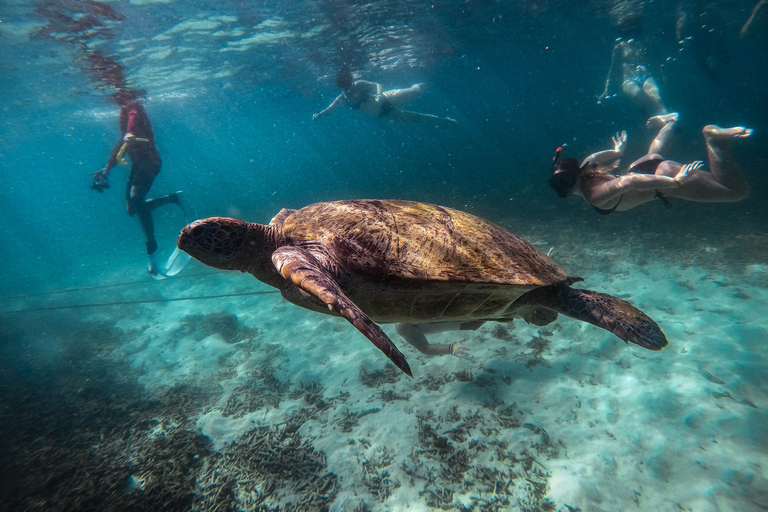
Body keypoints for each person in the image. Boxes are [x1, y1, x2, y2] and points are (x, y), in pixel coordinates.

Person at [549, 113, 753, 213]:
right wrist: (617, 151)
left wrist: (675, 181)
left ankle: (714, 139)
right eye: (557, 183)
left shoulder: (594, 195)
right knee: (654, 153)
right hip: (640, 167)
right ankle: (671, 121)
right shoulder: (587, 165)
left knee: (736, 192)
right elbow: (600, 159)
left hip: (660, 180)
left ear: (576, 175)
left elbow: (630, 182)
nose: (562, 186)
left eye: (564, 180)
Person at [91, 91, 185, 277]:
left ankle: (153, 254)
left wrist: (129, 132)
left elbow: (132, 118)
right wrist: (106, 170)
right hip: (139, 165)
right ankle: (173, 198)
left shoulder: (133, 106)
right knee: (132, 209)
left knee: (136, 200)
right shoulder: (126, 110)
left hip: (150, 163)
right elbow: (122, 142)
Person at [312, 67, 457, 125]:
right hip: (384, 113)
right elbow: (331, 109)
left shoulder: (359, 84)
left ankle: (427, 84)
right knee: (416, 117)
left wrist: (379, 95)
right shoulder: (343, 98)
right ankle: (445, 120)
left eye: (347, 79)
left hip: (387, 98)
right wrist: (320, 115)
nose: (347, 83)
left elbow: (377, 84)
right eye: (344, 81)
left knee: (415, 92)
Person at [597, 12, 668, 116]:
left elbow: (653, 60)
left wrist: (660, 74)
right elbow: (613, 69)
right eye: (626, 25)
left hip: (645, 76)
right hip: (628, 81)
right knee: (643, 99)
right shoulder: (619, 47)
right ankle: (655, 119)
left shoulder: (645, 43)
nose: (629, 27)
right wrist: (607, 88)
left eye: (631, 24)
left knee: (656, 98)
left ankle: (666, 119)